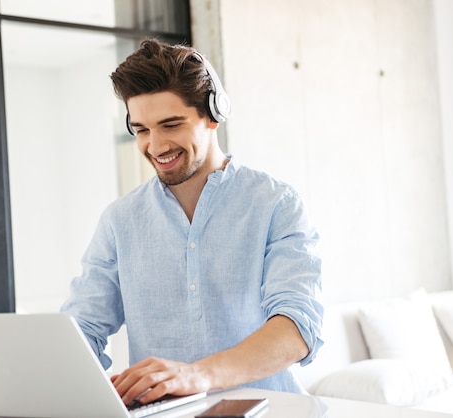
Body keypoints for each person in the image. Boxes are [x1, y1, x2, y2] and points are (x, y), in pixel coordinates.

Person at [60, 38, 323, 407]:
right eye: (142, 130)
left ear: (213, 114)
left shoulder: (276, 204)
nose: (155, 145)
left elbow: (297, 329)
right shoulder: (120, 220)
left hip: (270, 410)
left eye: (171, 124)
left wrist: (195, 374)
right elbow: (81, 329)